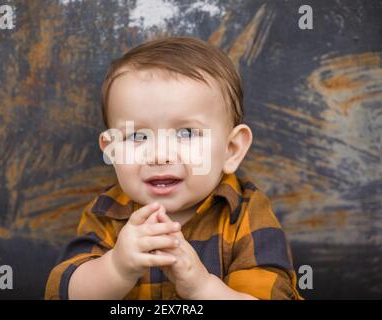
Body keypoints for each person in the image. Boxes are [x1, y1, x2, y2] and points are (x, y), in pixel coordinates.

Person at [45, 36, 302, 300]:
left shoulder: (245, 214)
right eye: (137, 137)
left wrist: (202, 287)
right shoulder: (107, 214)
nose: (160, 155)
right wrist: (115, 268)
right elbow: (65, 293)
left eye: (187, 133)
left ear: (232, 149)